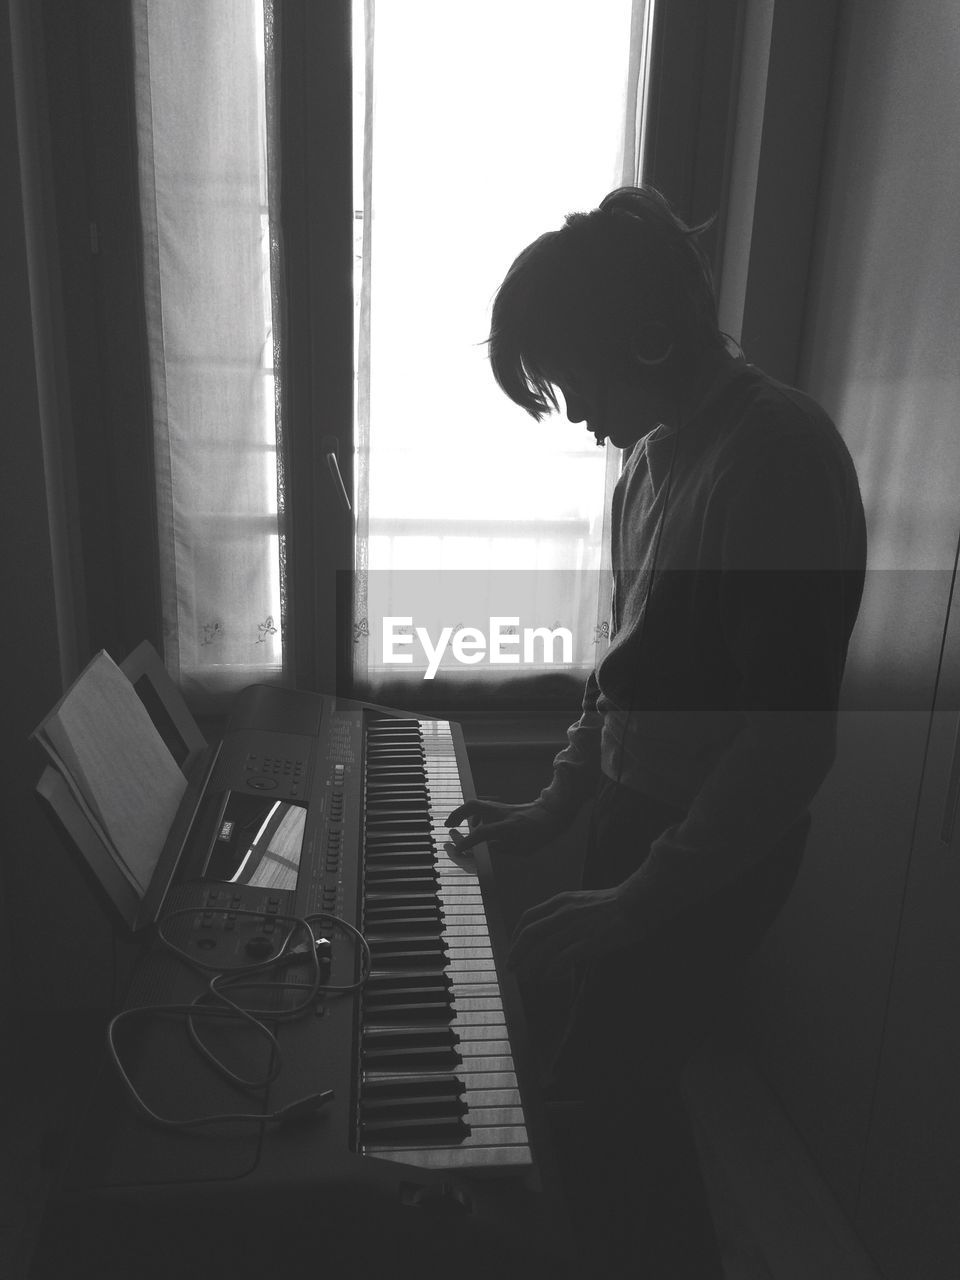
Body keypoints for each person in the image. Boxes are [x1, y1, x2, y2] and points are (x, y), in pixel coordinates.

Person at [445, 186, 867, 1277]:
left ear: (646, 334)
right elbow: (624, 668)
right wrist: (557, 801)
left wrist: (636, 899)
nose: (576, 412)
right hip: (641, 821)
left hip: (720, 848)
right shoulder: (647, 460)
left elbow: (785, 746)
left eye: (573, 378)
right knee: (600, 1084)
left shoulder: (777, 456)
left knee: (602, 1096)